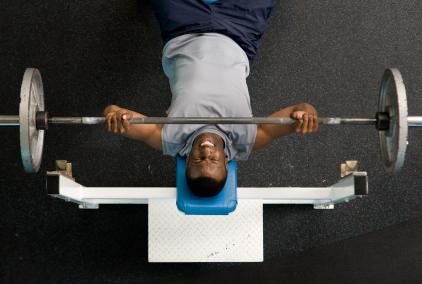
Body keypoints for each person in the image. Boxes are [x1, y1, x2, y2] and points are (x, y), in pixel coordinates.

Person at [103, 0, 318, 197]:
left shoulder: (170, 138)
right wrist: (307, 115)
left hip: (183, 29)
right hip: (239, 32)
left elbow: (113, 112)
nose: (206, 151)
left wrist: (116, 118)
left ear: (187, 161)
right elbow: (299, 111)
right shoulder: (247, 140)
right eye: (213, 159)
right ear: (226, 161)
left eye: (198, 159)